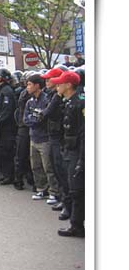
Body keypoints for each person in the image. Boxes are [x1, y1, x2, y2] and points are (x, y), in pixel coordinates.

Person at [50, 71, 85, 237]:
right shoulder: (68, 101)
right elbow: (51, 114)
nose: (58, 85)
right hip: (70, 149)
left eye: (60, 83)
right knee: (73, 187)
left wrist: (82, 160)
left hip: (78, 151)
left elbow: (85, 133)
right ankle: (75, 222)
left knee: (77, 190)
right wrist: (57, 97)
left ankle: (77, 226)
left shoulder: (79, 102)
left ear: (69, 85)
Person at [23, 74, 60, 203]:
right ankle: (41, 189)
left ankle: (53, 192)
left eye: (29, 84)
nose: (27, 87)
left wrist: (36, 119)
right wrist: (34, 119)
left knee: (48, 167)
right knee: (36, 166)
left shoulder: (46, 99)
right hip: (33, 137)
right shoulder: (30, 101)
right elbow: (26, 119)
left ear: (37, 85)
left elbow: (43, 118)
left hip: (45, 138)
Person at [41, 67, 70, 216]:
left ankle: (68, 205)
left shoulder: (62, 97)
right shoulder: (52, 95)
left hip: (61, 138)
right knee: (57, 170)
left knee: (63, 172)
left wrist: (58, 96)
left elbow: (48, 112)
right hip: (52, 135)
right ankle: (63, 199)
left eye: (50, 79)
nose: (47, 82)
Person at [13, 72, 35, 190]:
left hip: (32, 128)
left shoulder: (41, 96)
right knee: (21, 154)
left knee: (32, 157)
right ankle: (19, 179)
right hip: (23, 127)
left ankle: (33, 180)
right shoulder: (23, 93)